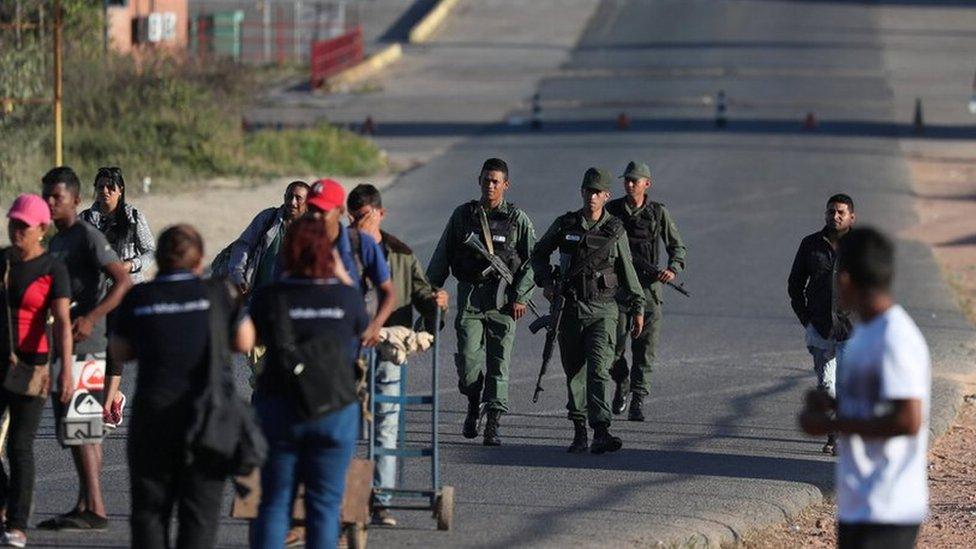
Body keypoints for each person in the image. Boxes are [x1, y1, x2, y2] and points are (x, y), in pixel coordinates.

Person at [109, 224, 254, 549]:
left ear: (159, 259)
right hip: (207, 422)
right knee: (199, 518)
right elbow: (245, 341)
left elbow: (119, 351)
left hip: (154, 421)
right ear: (200, 259)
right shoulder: (219, 293)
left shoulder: (139, 296)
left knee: (149, 513)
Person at [799, 227, 929, 549]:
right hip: (860, 503)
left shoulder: (894, 337)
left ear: (844, 279)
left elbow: (907, 420)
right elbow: (872, 407)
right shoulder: (865, 334)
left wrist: (832, 424)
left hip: (889, 508)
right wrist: (831, 405)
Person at [249, 217, 368, 548]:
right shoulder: (346, 298)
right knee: (325, 505)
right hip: (333, 408)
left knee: (274, 502)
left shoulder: (270, 297)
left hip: (280, 406)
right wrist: (342, 276)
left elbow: (249, 337)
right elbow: (361, 325)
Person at [347, 184, 448, 527]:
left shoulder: (400, 255)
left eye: (365, 216)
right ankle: (346, 498)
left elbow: (421, 292)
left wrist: (436, 303)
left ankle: (380, 500)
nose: (360, 223)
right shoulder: (340, 252)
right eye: (354, 217)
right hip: (347, 351)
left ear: (380, 213)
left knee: (386, 425)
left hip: (389, 348)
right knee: (346, 425)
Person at [39, 166, 132, 531]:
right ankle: (85, 502)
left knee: (83, 426)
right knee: (78, 428)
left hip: (88, 341)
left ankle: (95, 508)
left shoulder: (86, 236)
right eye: (46, 195)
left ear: (76, 200)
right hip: (66, 340)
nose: (49, 203)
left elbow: (122, 280)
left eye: (56, 197)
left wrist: (93, 317)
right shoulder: (57, 241)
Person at [531, 167, 644, 454]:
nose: (592, 196)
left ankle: (601, 429)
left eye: (597, 192)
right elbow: (538, 253)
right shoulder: (565, 224)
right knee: (574, 372)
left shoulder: (615, 230)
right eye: (588, 190)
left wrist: (638, 305)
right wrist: (545, 282)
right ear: (581, 192)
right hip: (570, 309)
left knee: (598, 369)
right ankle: (579, 428)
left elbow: (627, 271)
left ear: (606, 195)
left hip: (603, 310)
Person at [426, 158, 536, 445]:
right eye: (486, 180)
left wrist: (522, 296)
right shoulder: (463, 216)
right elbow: (442, 256)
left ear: (506, 185)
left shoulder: (517, 219)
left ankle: (494, 423)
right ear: (479, 181)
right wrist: (428, 294)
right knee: (468, 362)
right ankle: (474, 403)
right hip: (471, 297)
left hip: (503, 302)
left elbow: (533, 262)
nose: (490, 185)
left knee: (500, 363)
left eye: (496, 181)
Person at [0, 195, 73, 548]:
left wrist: (65, 371)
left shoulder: (52, 269)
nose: (15, 230)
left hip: (34, 368)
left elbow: (61, 323)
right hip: (1, 362)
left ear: (41, 230)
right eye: (12, 222)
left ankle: (16, 524)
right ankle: (3, 501)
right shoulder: (2, 261)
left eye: (23, 225)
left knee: (19, 446)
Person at [605, 161, 686, 421]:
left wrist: (672, 269)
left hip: (649, 290)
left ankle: (638, 398)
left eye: (635, 181)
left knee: (645, 349)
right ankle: (622, 381)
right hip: (618, 290)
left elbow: (677, 246)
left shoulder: (657, 213)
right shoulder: (613, 210)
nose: (629, 184)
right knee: (611, 348)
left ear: (646, 184)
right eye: (627, 180)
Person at [80, 167, 155, 428]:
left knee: (115, 347)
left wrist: (130, 265)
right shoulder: (86, 219)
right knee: (95, 348)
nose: (105, 192)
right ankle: (115, 397)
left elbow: (150, 252)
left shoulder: (133, 217)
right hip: (96, 293)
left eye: (111, 187)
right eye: (101, 186)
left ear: (120, 190)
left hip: (125, 291)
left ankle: (105, 405)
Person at [788, 193, 855, 455]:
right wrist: (807, 320)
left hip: (852, 329)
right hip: (820, 328)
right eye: (830, 212)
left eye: (840, 212)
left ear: (851, 216)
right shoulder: (811, 244)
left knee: (845, 385)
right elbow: (795, 285)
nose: (835, 216)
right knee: (826, 385)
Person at [305, 179, 395, 346]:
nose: (315, 217)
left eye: (322, 211)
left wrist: (374, 327)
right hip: (309, 346)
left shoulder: (361, 243)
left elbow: (389, 292)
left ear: (340, 211)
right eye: (311, 209)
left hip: (350, 348)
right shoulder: (296, 246)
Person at [225, 181, 310, 295]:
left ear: (308, 202)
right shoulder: (268, 218)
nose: (292, 202)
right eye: (289, 196)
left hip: (294, 296)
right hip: (262, 294)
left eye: (298, 198)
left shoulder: (313, 228)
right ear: (284, 197)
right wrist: (238, 275)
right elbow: (243, 245)